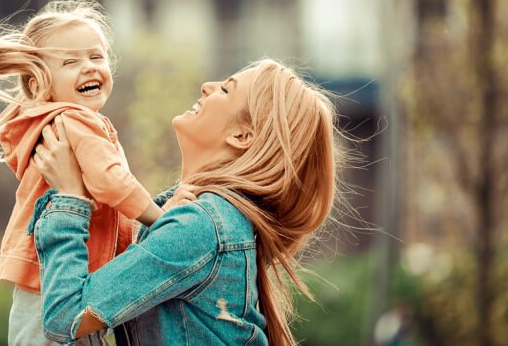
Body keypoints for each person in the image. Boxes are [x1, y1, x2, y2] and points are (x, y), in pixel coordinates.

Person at [31, 58, 343, 345]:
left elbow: (66, 317)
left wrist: (70, 199)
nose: (206, 86)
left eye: (224, 90)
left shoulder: (200, 227)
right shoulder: (200, 219)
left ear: (242, 136)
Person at [0, 0, 165, 345]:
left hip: (45, 280)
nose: (89, 67)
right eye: (70, 61)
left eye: (96, 56)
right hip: (61, 281)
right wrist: (162, 218)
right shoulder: (76, 119)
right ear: (38, 85)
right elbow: (111, 181)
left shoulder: (50, 121)